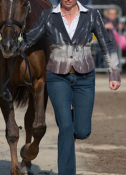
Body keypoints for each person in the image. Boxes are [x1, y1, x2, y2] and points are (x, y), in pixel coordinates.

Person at [21, 0, 121, 174]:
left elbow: (106, 43)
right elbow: (29, 39)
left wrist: (114, 73)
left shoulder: (91, 15)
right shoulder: (48, 16)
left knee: (82, 131)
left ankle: (71, 120)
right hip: (57, 77)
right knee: (66, 127)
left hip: (85, 78)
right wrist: (8, 47)